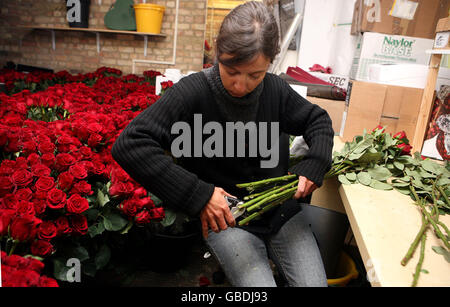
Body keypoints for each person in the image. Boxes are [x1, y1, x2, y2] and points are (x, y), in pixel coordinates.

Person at [111, 1, 334, 287]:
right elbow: (130, 143)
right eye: (232, 72)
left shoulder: (276, 90)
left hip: (282, 213)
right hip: (228, 218)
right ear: (218, 53)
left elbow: (318, 120)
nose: (242, 86)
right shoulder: (193, 92)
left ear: (270, 63)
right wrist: (199, 195)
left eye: (255, 75)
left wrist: (315, 163)